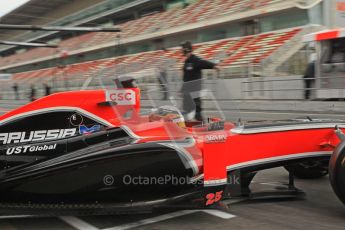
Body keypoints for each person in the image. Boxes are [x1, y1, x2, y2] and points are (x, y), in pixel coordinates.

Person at [181, 41, 219, 121]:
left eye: (183, 48)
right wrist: (182, 89)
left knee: (197, 111)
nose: (182, 50)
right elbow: (185, 78)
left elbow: (203, 63)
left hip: (195, 90)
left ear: (187, 49)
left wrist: (214, 66)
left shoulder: (195, 59)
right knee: (187, 111)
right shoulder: (186, 62)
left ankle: (202, 127)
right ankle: (187, 128)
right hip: (187, 91)